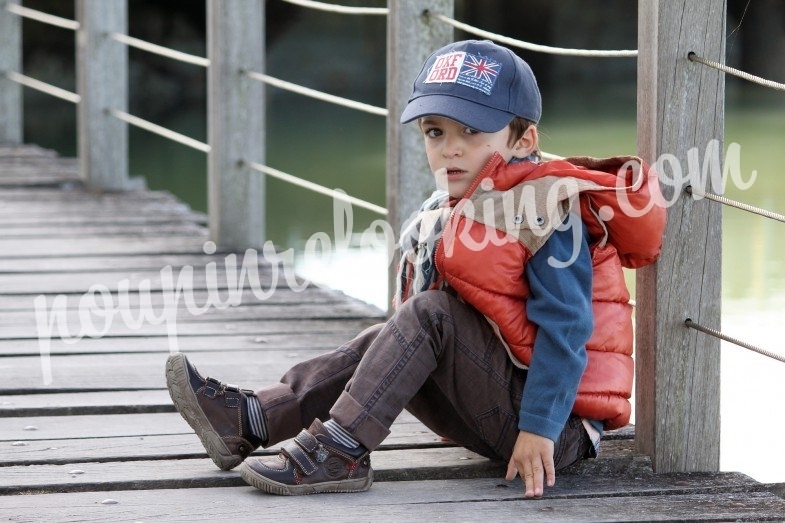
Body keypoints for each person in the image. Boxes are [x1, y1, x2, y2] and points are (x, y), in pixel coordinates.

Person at [165, 39, 665, 498]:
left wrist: (539, 429)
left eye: (471, 131)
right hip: (504, 400)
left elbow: (568, 327)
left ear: (522, 138)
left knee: (429, 315)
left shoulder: (547, 209)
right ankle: (253, 419)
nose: (450, 147)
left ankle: (340, 452)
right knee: (388, 335)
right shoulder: (459, 207)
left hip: (554, 430)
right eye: (435, 131)